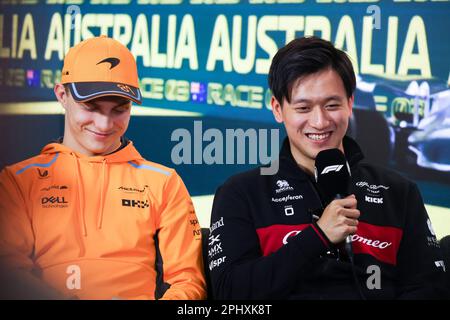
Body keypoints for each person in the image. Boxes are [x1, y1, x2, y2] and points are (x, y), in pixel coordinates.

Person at [207, 36, 446, 299]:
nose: (320, 122)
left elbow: (429, 288)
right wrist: (317, 236)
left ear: (350, 104)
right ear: (278, 109)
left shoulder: (399, 192)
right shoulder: (241, 193)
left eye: (332, 105)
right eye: (303, 108)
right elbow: (229, 293)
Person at [0, 36, 206, 300]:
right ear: (62, 95)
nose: (105, 124)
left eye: (119, 110)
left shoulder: (164, 182)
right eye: (91, 107)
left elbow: (188, 283)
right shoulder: (18, 180)